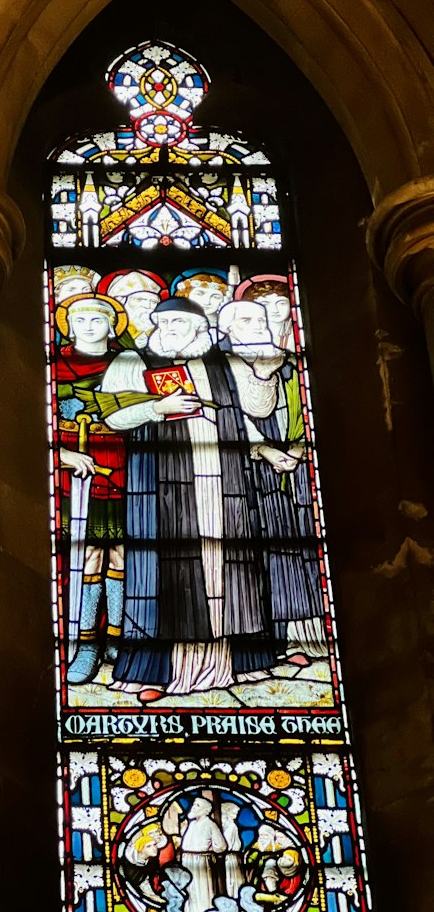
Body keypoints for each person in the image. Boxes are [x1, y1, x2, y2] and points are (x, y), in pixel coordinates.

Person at [99, 297, 277, 702]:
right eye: (164, 321)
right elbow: (113, 417)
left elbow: (256, 410)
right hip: (163, 483)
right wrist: (158, 407)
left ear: (200, 325)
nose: (172, 326)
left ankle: (233, 662)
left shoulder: (219, 364)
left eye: (181, 320)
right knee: (169, 571)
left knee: (229, 565)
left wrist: (264, 375)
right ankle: (159, 672)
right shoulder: (133, 360)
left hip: (222, 478)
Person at [218, 299, 326, 664]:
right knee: (247, 556)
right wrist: (263, 449)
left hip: (288, 472)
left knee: (287, 554)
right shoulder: (219, 365)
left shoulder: (289, 364)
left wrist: (296, 449)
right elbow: (227, 412)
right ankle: (255, 645)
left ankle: (288, 639)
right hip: (240, 470)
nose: (258, 325)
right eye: (246, 320)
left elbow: (304, 408)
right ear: (228, 330)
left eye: (261, 318)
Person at [53, 292, 128, 683]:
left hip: (123, 466)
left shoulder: (126, 363)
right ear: (67, 326)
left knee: (122, 554)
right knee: (89, 557)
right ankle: (86, 644)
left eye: (97, 319)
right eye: (79, 320)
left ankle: (117, 634)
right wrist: (64, 456)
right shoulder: (54, 367)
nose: (88, 326)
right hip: (76, 475)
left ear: (112, 326)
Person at [97, 269, 167, 347]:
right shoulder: (110, 333)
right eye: (139, 299)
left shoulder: (165, 333)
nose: (148, 306)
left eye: (154, 302)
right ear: (122, 302)